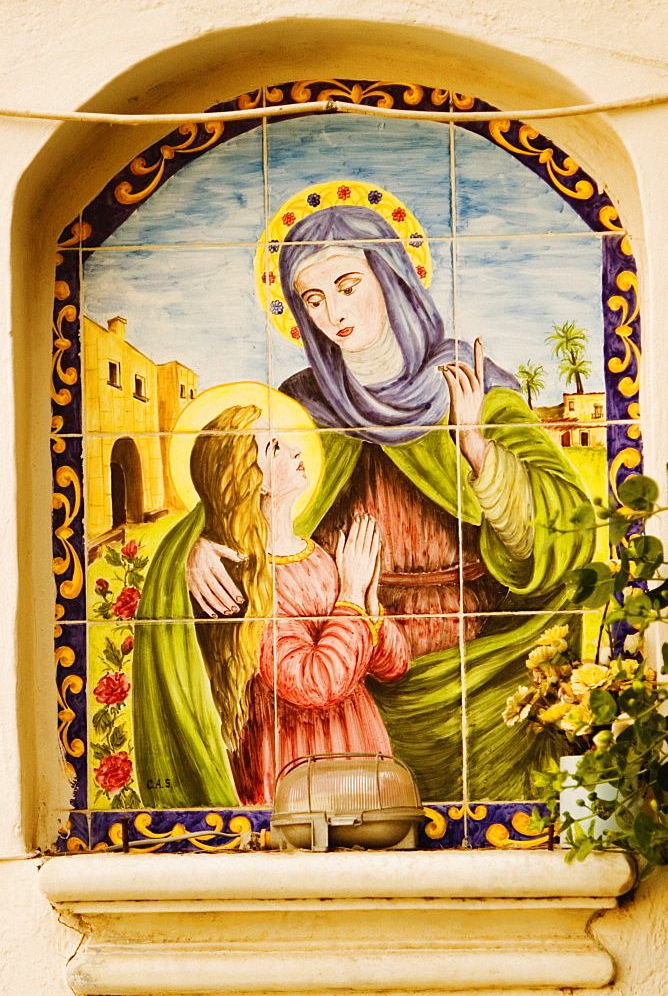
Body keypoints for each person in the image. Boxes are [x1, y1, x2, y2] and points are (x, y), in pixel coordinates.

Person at [184, 206, 595, 800]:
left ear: (392, 277)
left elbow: (565, 532)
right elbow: (235, 482)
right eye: (314, 299)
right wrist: (201, 547)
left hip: (478, 663)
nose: (334, 313)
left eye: (348, 287)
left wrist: (476, 446)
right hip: (343, 667)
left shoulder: (469, 382)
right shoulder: (301, 406)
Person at [133, 404, 409, 808]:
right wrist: (350, 594)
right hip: (291, 763)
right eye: (276, 447)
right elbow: (314, 683)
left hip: (357, 744)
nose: (297, 449)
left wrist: (367, 602)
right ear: (250, 478)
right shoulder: (244, 576)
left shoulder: (319, 557)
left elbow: (394, 665)